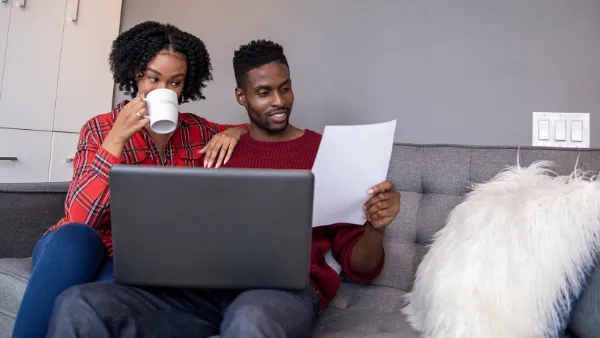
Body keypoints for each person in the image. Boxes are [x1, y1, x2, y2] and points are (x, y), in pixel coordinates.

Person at [45, 39, 401, 338]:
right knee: (78, 304)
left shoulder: (326, 152)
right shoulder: (212, 149)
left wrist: (375, 228)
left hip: (277, 294)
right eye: (263, 92)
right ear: (241, 97)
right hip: (196, 293)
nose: (279, 101)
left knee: (250, 319)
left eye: (285, 87)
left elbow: (360, 266)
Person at [11, 21, 249, 338]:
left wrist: (234, 131)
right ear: (135, 73)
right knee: (76, 239)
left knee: (108, 296)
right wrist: (115, 140)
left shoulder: (199, 131)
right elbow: (80, 217)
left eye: (175, 83)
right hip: (78, 245)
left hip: (136, 256)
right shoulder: (100, 127)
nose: (165, 90)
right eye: (154, 78)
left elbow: (260, 134)